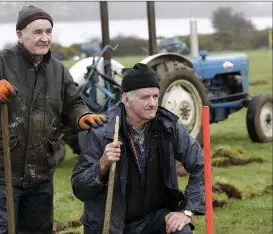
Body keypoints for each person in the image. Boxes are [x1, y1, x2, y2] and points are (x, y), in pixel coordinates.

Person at [0, 5, 107, 234]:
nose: (45, 38)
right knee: (4, 227)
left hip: (42, 168)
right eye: (37, 32)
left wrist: (83, 116)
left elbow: (74, 104)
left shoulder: (59, 71)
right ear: (20, 35)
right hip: (5, 167)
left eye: (48, 32)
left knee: (39, 228)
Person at [71, 63, 205, 234]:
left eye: (155, 96)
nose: (153, 103)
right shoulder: (102, 132)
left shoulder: (168, 127)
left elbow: (200, 164)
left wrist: (186, 211)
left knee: (181, 230)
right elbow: (79, 188)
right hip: (112, 225)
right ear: (126, 99)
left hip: (154, 219)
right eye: (145, 97)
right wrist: (102, 165)